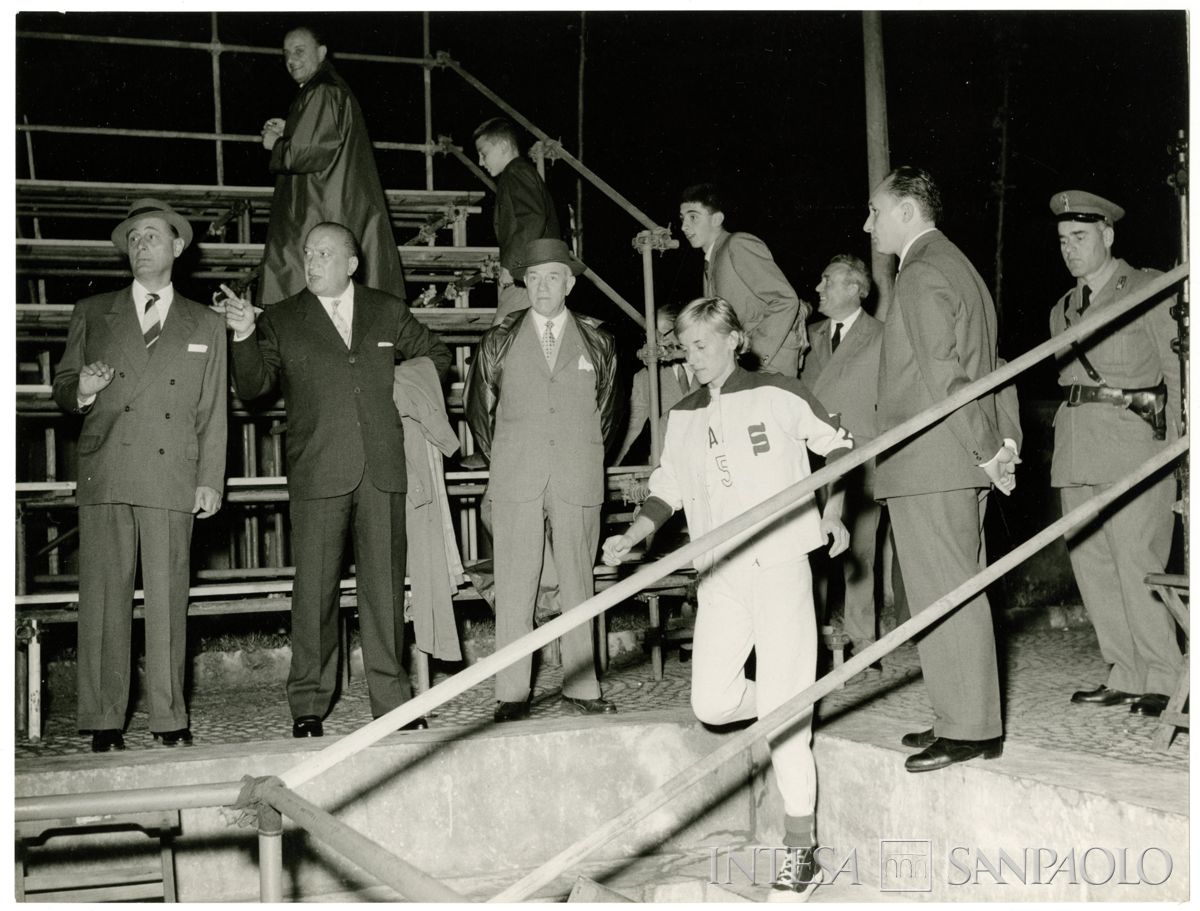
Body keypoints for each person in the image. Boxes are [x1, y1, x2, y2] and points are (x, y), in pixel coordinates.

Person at [602, 297, 853, 899]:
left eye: (704, 345)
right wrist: (632, 537)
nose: (693, 358)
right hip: (720, 571)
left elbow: (840, 447)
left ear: (734, 339)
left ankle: (801, 850)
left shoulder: (780, 392)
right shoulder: (683, 416)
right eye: (685, 348)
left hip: (781, 561)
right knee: (713, 703)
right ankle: (795, 700)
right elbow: (667, 492)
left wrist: (835, 511)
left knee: (786, 719)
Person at [222, 222, 451, 737]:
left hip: (382, 469)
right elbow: (254, 386)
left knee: (385, 592)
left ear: (351, 263)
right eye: (308, 252)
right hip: (319, 470)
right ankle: (308, 703)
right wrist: (242, 334)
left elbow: (435, 356)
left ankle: (392, 702)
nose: (313, 259)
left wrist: (397, 390)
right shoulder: (281, 318)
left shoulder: (386, 308)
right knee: (315, 594)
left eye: (326, 252)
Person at [53, 199, 228, 753]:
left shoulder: (207, 322)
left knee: (169, 600)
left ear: (179, 247)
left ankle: (170, 718)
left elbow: (211, 411)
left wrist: (211, 478)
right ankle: (105, 719)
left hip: (172, 473)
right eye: (133, 238)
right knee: (103, 599)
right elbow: (62, 385)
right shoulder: (93, 310)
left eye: (153, 236)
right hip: (108, 468)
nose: (142, 245)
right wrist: (83, 387)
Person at [864, 166, 1018, 773]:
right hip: (953, 459)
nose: (868, 223)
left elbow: (944, 377)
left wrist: (986, 448)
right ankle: (962, 714)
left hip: (933, 459)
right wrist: (994, 446)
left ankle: (971, 728)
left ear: (907, 210)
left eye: (875, 211)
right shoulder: (959, 267)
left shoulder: (921, 273)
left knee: (945, 596)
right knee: (955, 591)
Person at [465, 238, 620, 722]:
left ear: (570, 284)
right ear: (524, 284)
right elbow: (478, 412)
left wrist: (579, 453)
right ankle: (512, 694)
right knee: (514, 586)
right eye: (533, 278)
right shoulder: (499, 339)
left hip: (577, 474)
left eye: (553, 276)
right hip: (517, 476)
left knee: (579, 582)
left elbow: (608, 413)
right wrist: (510, 456)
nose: (543, 286)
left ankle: (581, 687)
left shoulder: (599, 340)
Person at [1049, 190, 1183, 718]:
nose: (1070, 249)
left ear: (1108, 234)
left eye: (1080, 238)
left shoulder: (1149, 288)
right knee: (1094, 568)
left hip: (1134, 450)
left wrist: (1177, 450)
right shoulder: (1060, 309)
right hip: (1076, 450)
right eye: (1062, 241)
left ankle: (1163, 673)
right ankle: (1124, 671)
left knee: (1137, 564)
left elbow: (1178, 374)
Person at [259, 26, 405, 308]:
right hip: (330, 202)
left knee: (310, 298)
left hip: (321, 208)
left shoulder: (322, 90)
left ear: (321, 52)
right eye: (286, 54)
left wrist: (275, 145)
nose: (291, 59)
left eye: (299, 51)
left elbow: (307, 152)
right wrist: (291, 129)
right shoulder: (325, 88)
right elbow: (323, 138)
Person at [799, 255, 884, 663]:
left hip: (862, 457)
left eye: (827, 280)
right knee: (810, 546)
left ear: (855, 288)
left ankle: (864, 642)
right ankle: (808, 641)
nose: (819, 287)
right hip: (814, 457)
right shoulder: (807, 336)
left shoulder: (883, 336)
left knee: (861, 553)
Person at [678, 183, 805, 375]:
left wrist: (754, 355)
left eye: (693, 217)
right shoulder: (712, 259)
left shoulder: (737, 244)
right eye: (682, 218)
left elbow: (785, 299)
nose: (684, 226)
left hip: (767, 368)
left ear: (717, 219)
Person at [473, 116, 562, 325]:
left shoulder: (515, 172)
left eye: (483, 153)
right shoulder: (519, 172)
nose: (480, 162)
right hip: (537, 272)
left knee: (499, 344)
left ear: (503, 146)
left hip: (531, 273)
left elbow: (533, 217)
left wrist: (510, 264)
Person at [614, 303, 690, 465]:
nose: (659, 341)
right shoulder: (644, 378)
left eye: (664, 334)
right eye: (654, 336)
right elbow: (632, 427)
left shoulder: (705, 365)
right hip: (668, 464)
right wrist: (613, 466)